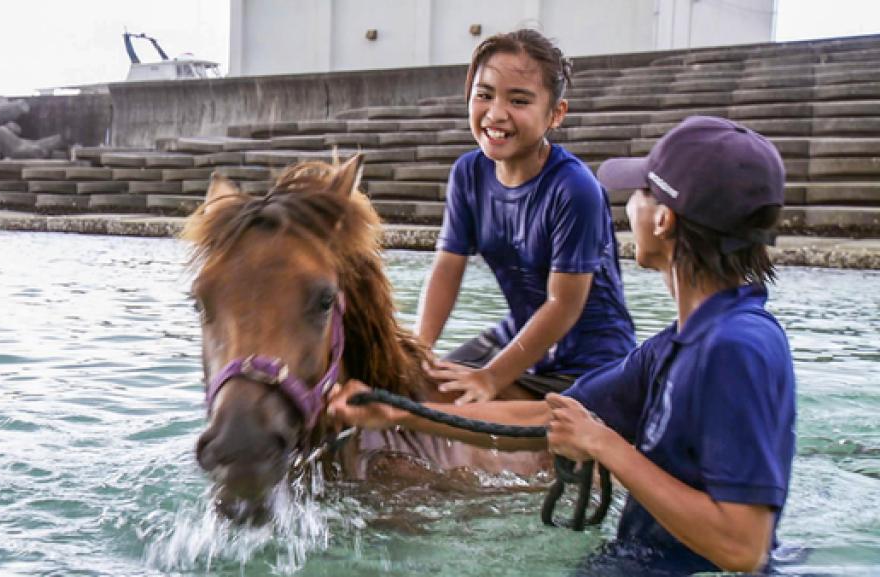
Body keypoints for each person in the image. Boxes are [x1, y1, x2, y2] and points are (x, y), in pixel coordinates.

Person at [329, 115, 797, 575]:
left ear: (663, 220)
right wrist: (404, 414)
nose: (627, 206)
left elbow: (743, 548)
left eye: (639, 192)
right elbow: (545, 417)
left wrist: (607, 447)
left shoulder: (738, 347)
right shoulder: (680, 344)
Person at [420, 29, 636, 404]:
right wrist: (419, 348)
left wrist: (490, 379)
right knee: (409, 386)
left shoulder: (574, 189)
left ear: (556, 114)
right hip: (515, 336)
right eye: (484, 95)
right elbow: (447, 267)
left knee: (439, 413)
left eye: (518, 100)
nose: (496, 113)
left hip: (589, 364)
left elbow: (563, 304)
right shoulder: (468, 173)